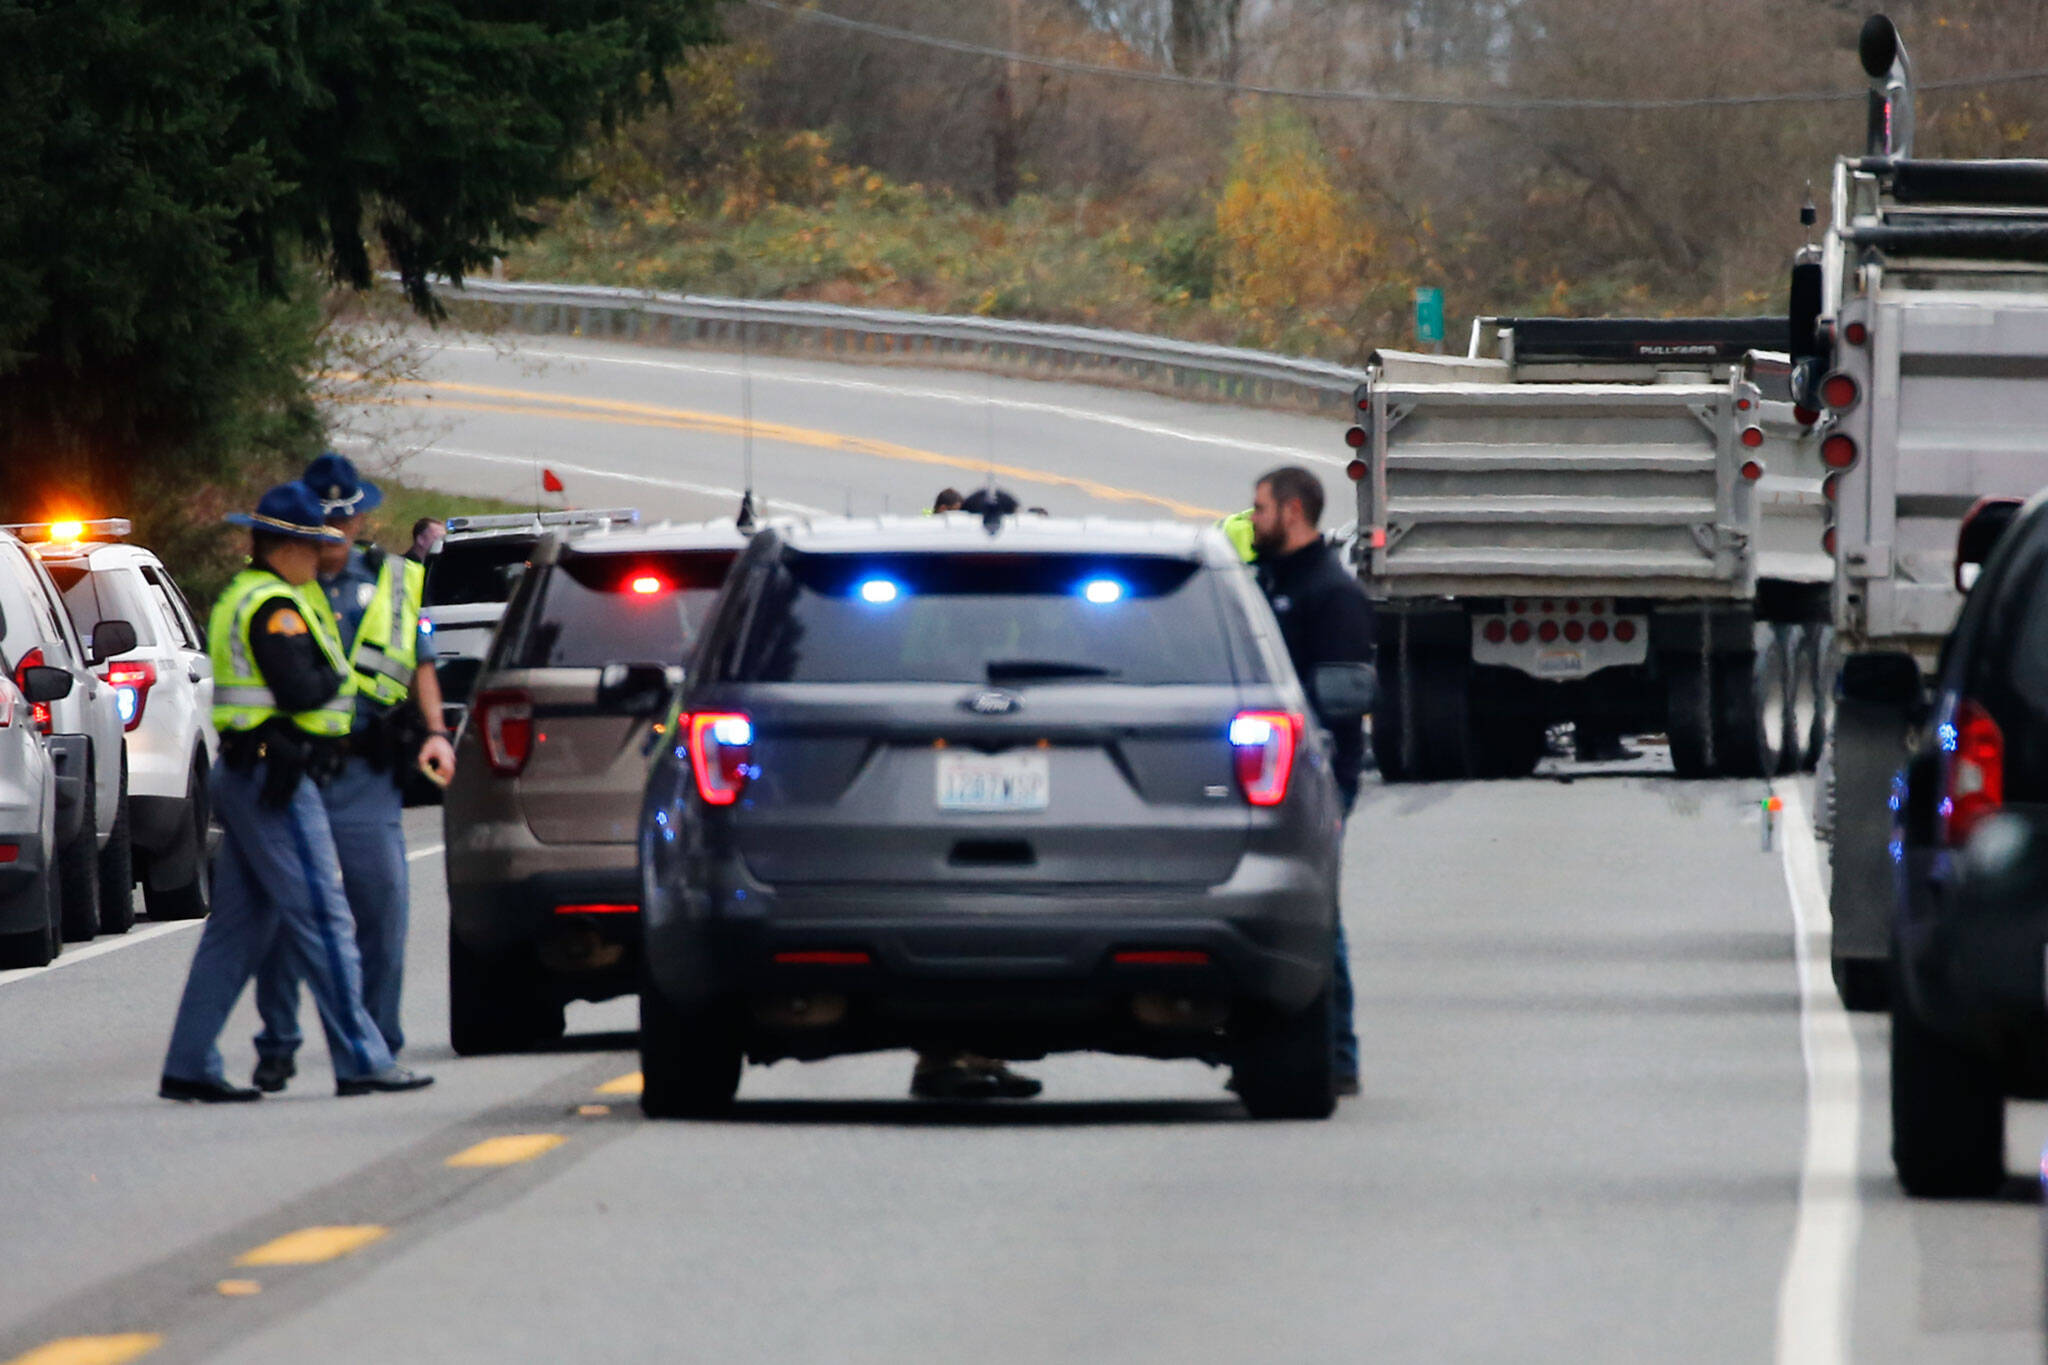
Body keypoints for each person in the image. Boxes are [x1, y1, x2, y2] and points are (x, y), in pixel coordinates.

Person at [159, 483, 433, 1101]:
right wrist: (342, 678)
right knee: (325, 918)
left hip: (254, 773)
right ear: (287, 547)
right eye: (313, 545)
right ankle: (362, 1057)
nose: (321, 557)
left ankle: (188, 1062)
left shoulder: (253, 593)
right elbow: (301, 689)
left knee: (235, 927)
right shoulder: (276, 608)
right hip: (273, 779)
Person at [248, 453, 456, 1092]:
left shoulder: (395, 579)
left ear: (363, 517)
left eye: (348, 519)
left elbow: (420, 661)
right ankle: (278, 1041)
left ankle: (374, 1043)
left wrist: (438, 734)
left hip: (368, 768)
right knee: (289, 915)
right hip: (297, 770)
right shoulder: (279, 582)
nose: (338, 532)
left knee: (382, 904)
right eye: (326, 521)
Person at [1245, 465, 1374, 1098]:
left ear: (1293, 512)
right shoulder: (1263, 584)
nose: (1253, 520)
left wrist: (1331, 772)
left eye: (1261, 509)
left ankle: (1338, 1052)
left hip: (1322, 777)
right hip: (1264, 773)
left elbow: (1344, 697)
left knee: (1319, 915)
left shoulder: (1332, 593)